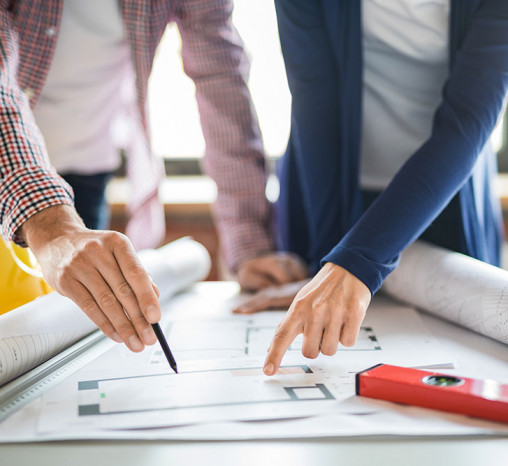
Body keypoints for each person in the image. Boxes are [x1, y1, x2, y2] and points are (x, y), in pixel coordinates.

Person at [0, 0, 305, 352]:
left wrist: (251, 247)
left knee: (66, 345)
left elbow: (220, 79)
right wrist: (53, 228)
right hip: (19, 179)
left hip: (86, 172)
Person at [233, 0, 508, 376]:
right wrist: (327, 262)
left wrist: (359, 260)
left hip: (444, 194)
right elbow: (317, 104)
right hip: (329, 195)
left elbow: (467, 125)